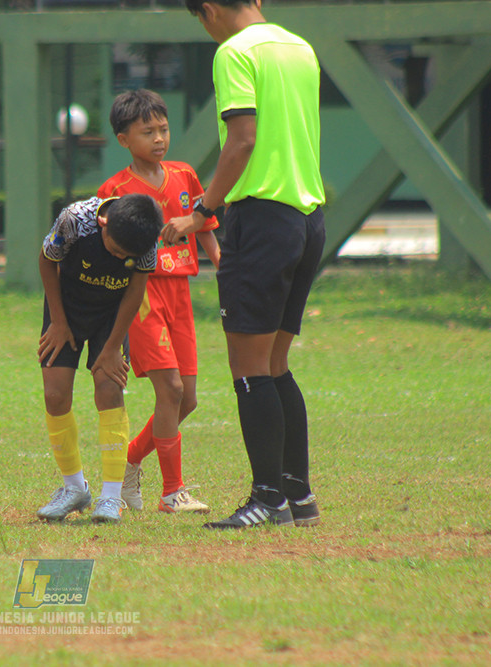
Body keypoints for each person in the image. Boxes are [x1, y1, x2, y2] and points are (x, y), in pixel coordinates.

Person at [170, 0, 325, 529]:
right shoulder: (300, 47)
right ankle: (297, 496)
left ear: (209, 9)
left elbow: (243, 140)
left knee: (249, 368)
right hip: (307, 219)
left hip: (261, 219)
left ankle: (267, 499)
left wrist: (203, 211)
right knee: (276, 363)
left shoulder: (235, 52)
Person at [98, 89, 221, 514]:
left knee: (187, 398)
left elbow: (204, 224)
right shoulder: (114, 189)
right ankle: (173, 492)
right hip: (143, 294)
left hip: (181, 293)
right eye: (146, 131)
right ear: (123, 139)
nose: (158, 138)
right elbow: (106, 245)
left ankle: (131, 458)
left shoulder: (185, 175)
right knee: (168, 388)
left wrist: (222, 264)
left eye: (163, 129)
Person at [37, 193, 162, 524]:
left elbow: (136, 289)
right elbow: (47, 260)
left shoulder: (146, 240)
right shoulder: (74, 220)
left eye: (127, 255)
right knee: (55, 393)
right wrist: (59, 323)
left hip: (112, 315)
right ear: (104, 224)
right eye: (116, 249)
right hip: (66, 309)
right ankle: (74, 488)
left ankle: (111, 497)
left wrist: (110, 349)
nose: (120, 256)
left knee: (109, 388)